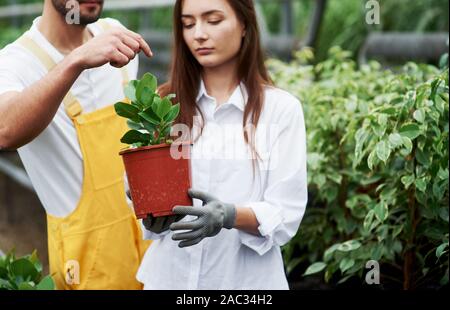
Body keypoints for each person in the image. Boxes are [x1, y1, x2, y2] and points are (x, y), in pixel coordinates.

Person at [135, 0, 308, 290]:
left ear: (244, 24)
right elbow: (147, 196)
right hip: (168, 279)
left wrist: (229, 215)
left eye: (213, 20)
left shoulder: (280, 110)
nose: (198, 34)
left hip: (245, 283)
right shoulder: (161, 106)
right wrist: (151, 215)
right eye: (188, 24)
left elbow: (285, 213)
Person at [0, 0, 152, 289]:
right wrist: (76, 60)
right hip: (88, 263)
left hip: (148, 244)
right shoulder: (16, 62)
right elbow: (4, 130)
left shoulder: (115, 34)